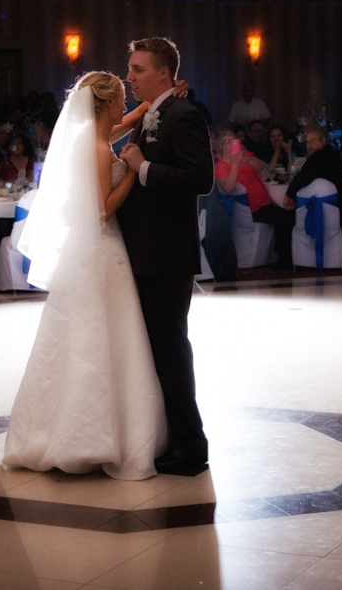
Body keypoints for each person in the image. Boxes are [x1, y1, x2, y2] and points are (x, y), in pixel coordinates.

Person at [3, 70, 169, 480]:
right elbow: (102, 209)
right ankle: (95, 435)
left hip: (86, 255)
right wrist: (133, 171)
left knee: (81, 336)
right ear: (106, 104)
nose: (125, 105)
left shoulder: (89, 137)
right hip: (102, 248)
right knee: (104, 335)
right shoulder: (97, 148)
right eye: (121, 100)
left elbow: (119, 125)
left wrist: (147, 107)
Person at [118, 36, 214, 474]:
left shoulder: (183, 114)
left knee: (172, 350)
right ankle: (169, 438)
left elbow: (200, 178)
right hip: (146, 252)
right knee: (158, 350)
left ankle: (191, 447)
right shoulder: (152, 113)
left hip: (166, 254)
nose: (130, 76)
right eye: (130, 68)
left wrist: (143, 167)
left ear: (163, 73)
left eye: (138, 69)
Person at [214, 129, 293, 268]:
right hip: (249, 210)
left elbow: (264, 168)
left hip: (265, 204)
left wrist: (248, 160)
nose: (232, 144)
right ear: (221, 146)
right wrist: (235, 164)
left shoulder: (245, 154)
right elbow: (227, 188)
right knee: (284, 218)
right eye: (227, 141)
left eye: (234, 140)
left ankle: (282, 257)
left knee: (289, 214)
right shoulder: (221, 166)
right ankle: (284, 260)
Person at [283, 123, 342, 260]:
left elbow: (302, 178)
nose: (309, 145)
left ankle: (287, 259)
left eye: (313, 141)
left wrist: (288, 195)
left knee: (284, 217)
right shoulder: (334, 156)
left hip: (317, 213)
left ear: (323, 141)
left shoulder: (317, 158)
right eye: (307, 142)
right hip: (338, 212)